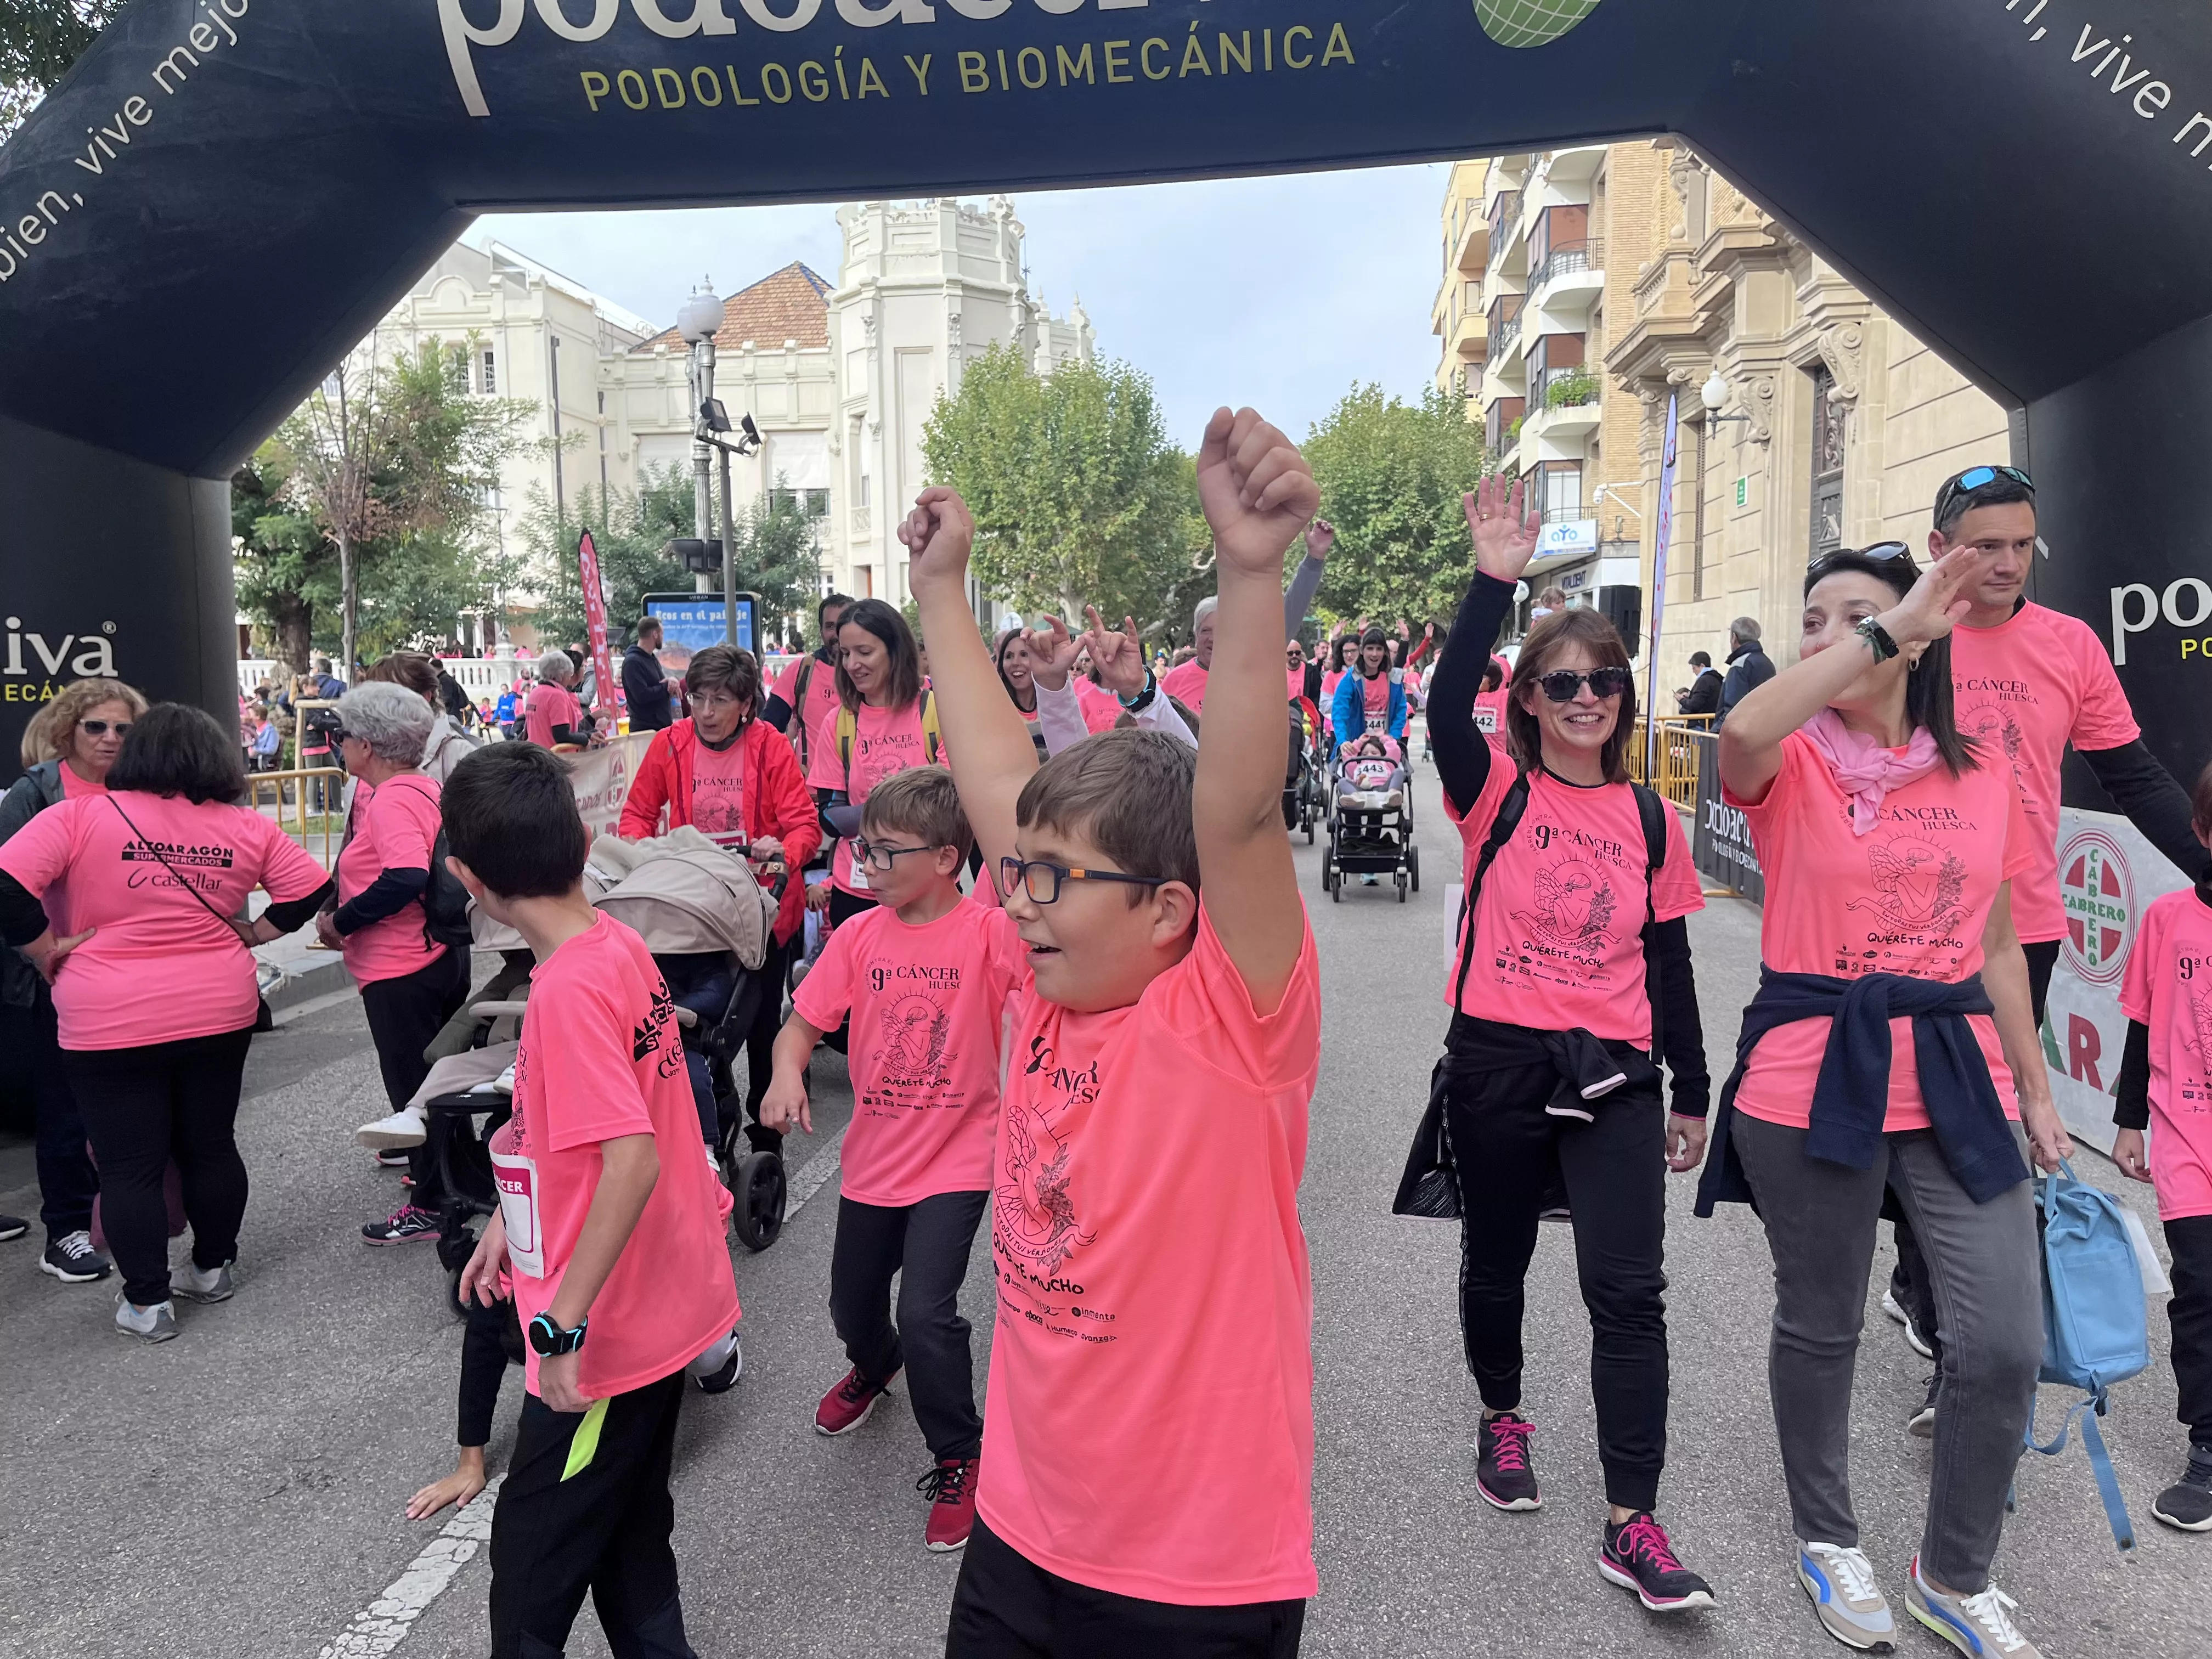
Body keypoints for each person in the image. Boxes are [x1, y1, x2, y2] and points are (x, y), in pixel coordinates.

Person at [907, 405, 1322, 1655]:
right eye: (1016, 873)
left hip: (1193, 1583)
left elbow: (1241, 811)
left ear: (1167, 911)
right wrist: (941, 591)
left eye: (1051, 880)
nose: (1015, 898)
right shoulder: (1042, 976)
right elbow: (997, 776)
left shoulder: (1228, 1020)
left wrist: (1251, 578)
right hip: (1021, 1536)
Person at [1699, 542, 2072, 1658]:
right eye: (1814, 619)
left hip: (1957, 1069)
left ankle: (1954, 1577)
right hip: (1813, 1070)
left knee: (2005, 1338)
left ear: (1923, 640)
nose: (1828, 635)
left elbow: (1998, 939)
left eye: (1853, 615)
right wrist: (1886, 627)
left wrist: (2041, 1092)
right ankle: (1828, 1536)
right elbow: (1742, 734)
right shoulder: (1789, 762)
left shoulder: (1979, 771)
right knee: (1824, 1322)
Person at [1402, 473, 1716, 1615]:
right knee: (1499, 1262)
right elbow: (1442, 713)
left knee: (1631, 1292)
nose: (1588, 697)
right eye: (1565, 683)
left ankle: (1634, 1521)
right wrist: (1495, 583)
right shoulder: (1496, 795)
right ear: (1530, 700)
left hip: (1619, 1073)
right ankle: (1503, 1416)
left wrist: (1692, 1088)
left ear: (1624, 697)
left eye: (1605, 682)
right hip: (1500, 1058)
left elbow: (1671, 959)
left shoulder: (1650, 817)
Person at [1882, 471, 2212, 1420]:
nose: (2004, 563)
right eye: (1983, 543)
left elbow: (2136, 776)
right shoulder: (1906, 638)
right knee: (1911, 1126)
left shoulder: (2067, 644)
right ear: (1939, 540)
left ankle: (1966, 1356)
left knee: (1983, 1138)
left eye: (2020, 544)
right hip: (1908, 924)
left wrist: (2205, 867)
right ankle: (1919, 1277)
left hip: (2018, 929)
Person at [446, 743, 740, 1659]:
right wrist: (509, 1212)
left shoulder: (569, 987)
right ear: (580, 840)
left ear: (469, 878)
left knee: (531, 1570)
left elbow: (631, 1158)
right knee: (627, 1530)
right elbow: (588, 1114)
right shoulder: (610, 943)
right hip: (658, 1302)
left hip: (606, 1333)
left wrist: (561, 1327)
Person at [0, 704, 334, 1341]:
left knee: (130, 1165)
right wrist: (257, 933)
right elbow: (312, 887)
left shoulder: (77, 816)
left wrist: (45, 947)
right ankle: (211, 1268)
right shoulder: (244, 827)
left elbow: (6, 884)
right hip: (218, 1007)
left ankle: (148, 1302)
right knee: (210, 1143)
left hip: (107, 1015)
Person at [759, 766, 1023, 1554]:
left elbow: (1058, 994)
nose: (865, 865)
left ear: (946, 859)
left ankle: (960, 1454)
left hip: (960, 1158)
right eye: (863, 850)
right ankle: (876, 1368)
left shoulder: (989, 933)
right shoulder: (858, 936)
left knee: (928, 1314)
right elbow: (800, 1026)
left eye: (884, 852)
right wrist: (783, 1073)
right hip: (873, 1161)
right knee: (853, 1308)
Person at [618, 644, 820, 1148]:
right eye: (698, 699)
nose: (706, 712)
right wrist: (638, 851)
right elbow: (638, 814)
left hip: (762, 909)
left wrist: (782, 853)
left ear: (747, 704)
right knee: (692, 1013)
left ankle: (765, 1130)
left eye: (721, 701)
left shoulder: (770, 747)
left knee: (757, 1024)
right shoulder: (671, 742)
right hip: (696, 904)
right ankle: (701, 1107)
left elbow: (804, 826)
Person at [0, 679, 149, 1282]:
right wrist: (44, 952)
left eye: (123, 728)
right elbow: (8, 888)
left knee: (124, 1110)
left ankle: (114, 1215)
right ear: (69, 729)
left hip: (135, 977)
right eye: (97, 727)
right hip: (53, 980)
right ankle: (64, 1229)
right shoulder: (37, 793)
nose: (111, 739)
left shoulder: (146, 790)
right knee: (65, 1109)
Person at [319, 684, 473, 1246]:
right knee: (442, 1082)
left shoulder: (390, 799)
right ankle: (458, 1176)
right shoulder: (425, 787)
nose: (339, 746)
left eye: (343, 736)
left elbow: (405, 876)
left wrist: (343, 921)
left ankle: (432, 1202)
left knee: (415, 1092)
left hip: (401, 963)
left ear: (368, 745)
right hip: (436, 953)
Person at [2111, 760, 2212, 1534]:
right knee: (2202, 1293)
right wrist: (2130, 1120)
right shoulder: (2169, 919)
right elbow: (2143, 1025)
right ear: (2203, 833)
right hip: (2188, 1141)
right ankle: (2208, 1452)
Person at [807, 597, 943, 930]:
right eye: (846, 654)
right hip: (855, 889)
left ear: (895, 651)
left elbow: (947, 808)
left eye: (864, 653)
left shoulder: (936, 711)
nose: (853, 664)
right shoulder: (838, 722)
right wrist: (903, 811)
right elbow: (829, 817)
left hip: (925, 889)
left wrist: (864, 814)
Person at [1161, 521, 1332, 717]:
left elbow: (1290, 613)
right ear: (1196, 636)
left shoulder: (1254, 665)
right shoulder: (1175, 681)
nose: (1214, 638)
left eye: (1223, 630)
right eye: (1206, 631)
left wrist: (1314, 560)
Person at [763, 591, 853, 777]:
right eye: (830, 626)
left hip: (864, 793)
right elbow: (767, 733)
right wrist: (788, 771)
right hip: (813, 793)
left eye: (843, 624)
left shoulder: (873, 672)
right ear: (821, 631)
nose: (837, 633)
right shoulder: (800, 671)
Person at [363, 652, 478, 781]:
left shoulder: (460, 756)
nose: (377, 708)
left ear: (424, 697)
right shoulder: (368, 753)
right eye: (372, 698)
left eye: (389, 698)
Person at [995, 627, 1049, 758]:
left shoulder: (1054, 706)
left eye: (1024, 655)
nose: (1015, 663)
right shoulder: (992, 710)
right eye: (1009, 656)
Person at [522, 651, 590, 749]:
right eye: (569, 674)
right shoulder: (556, 696)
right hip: (556, 758)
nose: (569, 678)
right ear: (561, 674)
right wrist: (585, 739)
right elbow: (562, 736)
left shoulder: (534, 693)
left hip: (537, 755)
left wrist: (589, 735)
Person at [622, 616, 679, 733]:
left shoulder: (651, 658)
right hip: (645, 731)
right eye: (662, 634)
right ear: (655, 634)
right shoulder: (633, 662)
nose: (663, 638)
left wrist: (669, 682)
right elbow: (641, 695)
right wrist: (666, 687)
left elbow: (658, 684)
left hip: (660, 728)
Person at [1716, 616, 1773, 725]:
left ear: (1734, 637)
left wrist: (1715, 733)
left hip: (1739, 733)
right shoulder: (1767, 662)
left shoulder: (1740, 665)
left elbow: (1732, 711)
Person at [1677, 652, 1723, 717]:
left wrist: (1682, 700)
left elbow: (1695, 705)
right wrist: (1690, 696)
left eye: (1694, 668)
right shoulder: (1716, 678)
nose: (1693, 671)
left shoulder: (1704, 681)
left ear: (1702, 666)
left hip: (1701, 722)